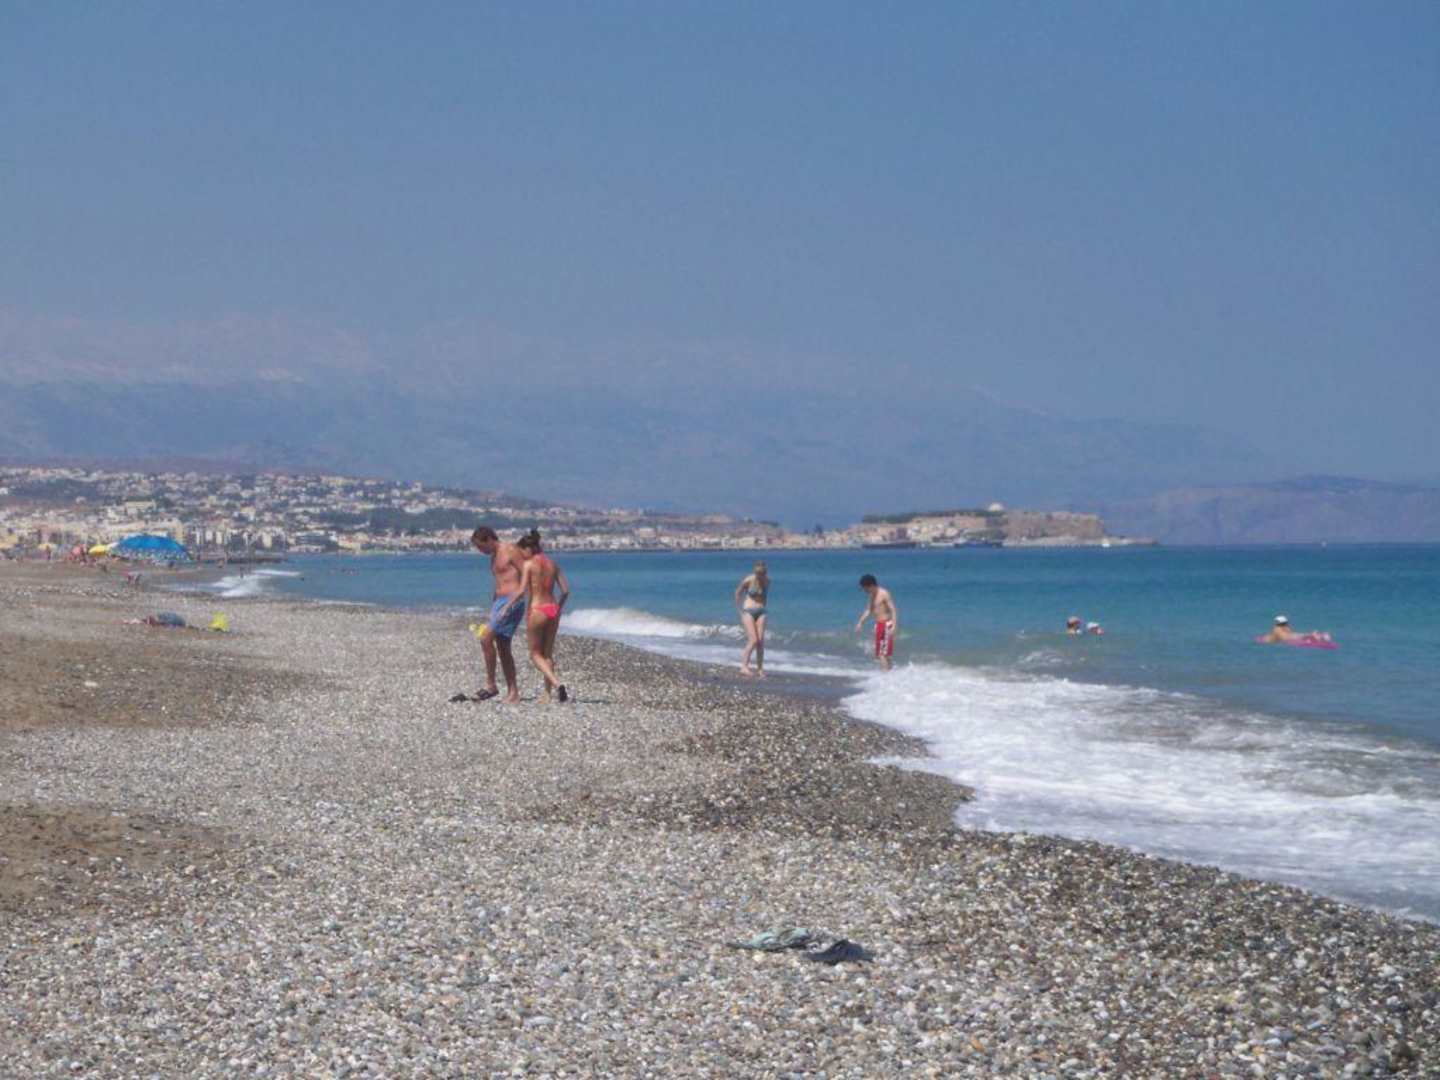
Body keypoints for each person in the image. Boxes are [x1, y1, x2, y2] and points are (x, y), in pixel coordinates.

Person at [509, 529, 571, 703]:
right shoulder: (553, 565)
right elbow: (565, 591)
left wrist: (506, 606)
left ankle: (558, 684)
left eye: (521, 552)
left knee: (535, 654)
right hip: (553, 609)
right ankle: (547, 694)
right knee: (547, 654)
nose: (521, 556)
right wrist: (558, 608)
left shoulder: (529, 565)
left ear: (528, 549)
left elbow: (521, 590)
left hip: (538, 609)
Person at [470, 525, 528, 703]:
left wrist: (518, 598)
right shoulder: (493, 556)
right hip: (499, 603)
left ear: (489, 539)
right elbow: (499, 582)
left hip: (513, 601)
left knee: (485, 637)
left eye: (481, 546)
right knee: (503, 647)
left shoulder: (510, 550)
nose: (480, 551)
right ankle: (513, 692)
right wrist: (494, 606)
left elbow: (526, 573)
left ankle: (491, 684)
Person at [854, 573, 899, 671]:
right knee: (882, 654)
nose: (865, 591)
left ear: (872, 585)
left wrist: (894, 626)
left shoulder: (884, 593)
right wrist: (860, 622)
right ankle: (890, 673)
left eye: (866, 588)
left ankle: (885, 674)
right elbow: (868, 610)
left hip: (886, 625)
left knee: (882, 654)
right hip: (879, 625)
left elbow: (893, 610)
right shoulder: (872, 596)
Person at [734, 560, 770, 677]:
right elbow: (737, 593)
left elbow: (764, 597)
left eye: (762, 573)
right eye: (758, 573)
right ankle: (744, 667)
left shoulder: (767, 581)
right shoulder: (749, 580)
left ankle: (760, 669)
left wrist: (763, 607)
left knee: (760, 641)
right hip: (748, 611)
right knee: (753, 639)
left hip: (761, 611)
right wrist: (740, 610)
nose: (760, 576)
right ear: (755, 572)